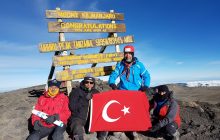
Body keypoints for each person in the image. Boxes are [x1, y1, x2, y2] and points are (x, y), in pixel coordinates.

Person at [69, 73, 108, 140]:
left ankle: (101, 138)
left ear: (93, 83)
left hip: (92, 118)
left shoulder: (96, 92)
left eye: (91, 82)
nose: (89, 84)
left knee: (104, 124)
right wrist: (85, 100)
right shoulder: (75, 92)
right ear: (84, 82)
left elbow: (101, 106)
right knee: (77, 129)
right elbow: (72, 107)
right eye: (87, 82)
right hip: (78, 117)